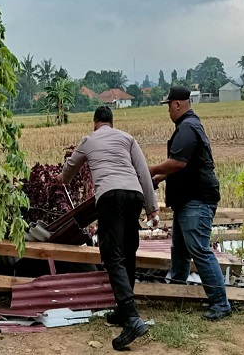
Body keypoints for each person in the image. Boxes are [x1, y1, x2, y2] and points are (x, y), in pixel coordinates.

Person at [55, 105, 159, 350]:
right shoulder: (127, 138)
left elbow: (70, 167)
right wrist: (152, 208)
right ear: (112, 122)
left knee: (112, 255)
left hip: (110, 197)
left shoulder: (89, 139)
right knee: (128, 251)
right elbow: (143, 172)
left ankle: (132, 317)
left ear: (95, 123)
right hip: (134, 195)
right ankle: (124, 311)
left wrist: (62, 179)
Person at [148, 86, 231, 321]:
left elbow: (178, 163)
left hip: (197, 199)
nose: (168, 111)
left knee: (200, 250)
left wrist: (152, 169)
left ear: (177, 104)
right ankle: (176, 289)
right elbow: (186, 164)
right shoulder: (189, 125)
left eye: (168, 106)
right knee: (181, 249)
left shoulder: (186, 127)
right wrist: (160, 177)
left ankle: (220, 304)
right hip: (188, 199)